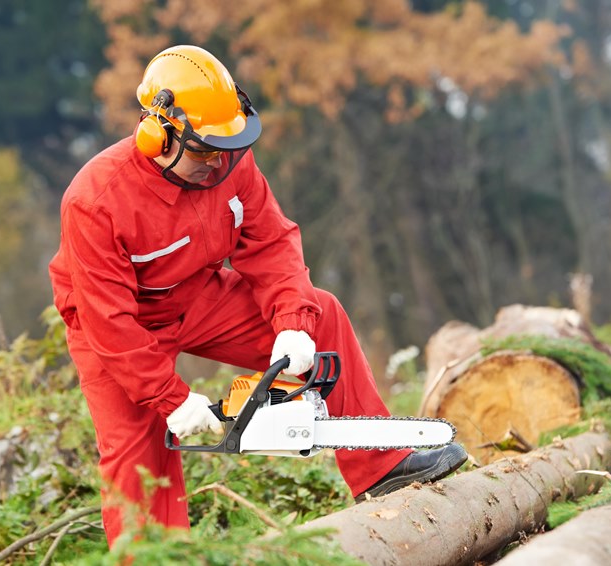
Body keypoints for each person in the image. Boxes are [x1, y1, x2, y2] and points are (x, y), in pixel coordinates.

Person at [48, 44, 467, 547]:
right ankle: (157, 558)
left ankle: (381, 464)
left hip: (196, 295)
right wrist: (171, 398)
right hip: (114, 327)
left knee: (322, 312)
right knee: (138, 451)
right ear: (157, 136)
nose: (218, 164)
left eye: (227, 149)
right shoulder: (95, 201)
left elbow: (271, 242)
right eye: (205, 152)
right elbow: (108, 321)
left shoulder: (229, 166)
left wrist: (291, 320)